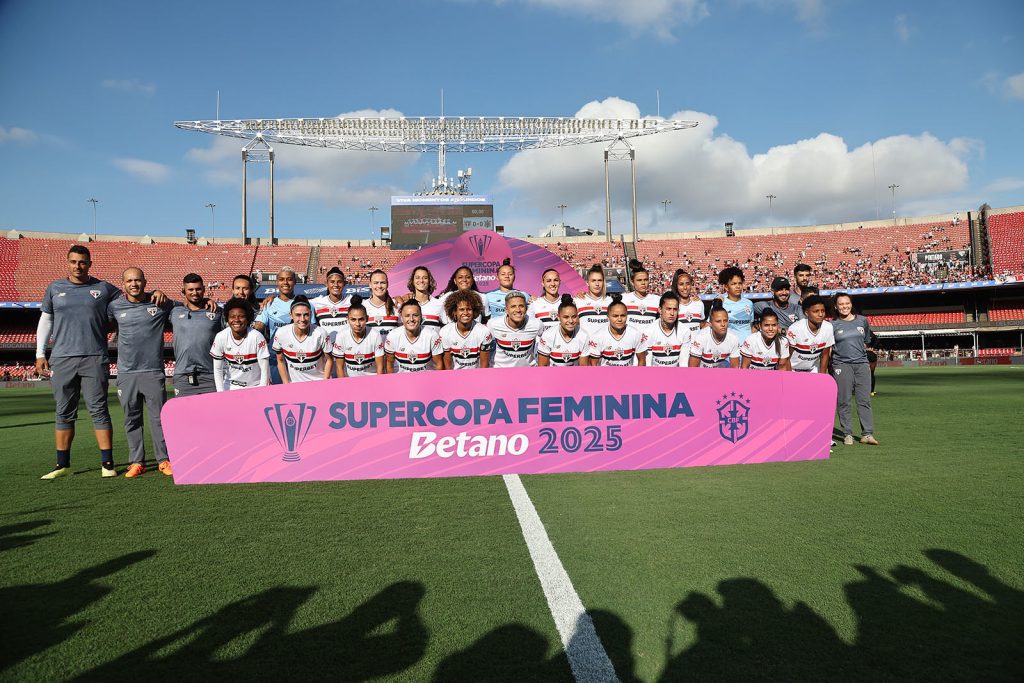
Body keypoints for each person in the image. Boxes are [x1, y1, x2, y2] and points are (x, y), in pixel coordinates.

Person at [36, 245, 136, 479]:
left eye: (82, 262)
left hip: (94, 357)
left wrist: (154, 294)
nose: (78, 266)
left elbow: (131, 299)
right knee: (63, 411)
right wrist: (40, 353)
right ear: (67, 262)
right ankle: (62, 465)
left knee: (99, 410)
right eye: (73, 262)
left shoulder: (104, 288)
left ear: (90, 264)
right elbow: (46, 320)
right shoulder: (54, 288)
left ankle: (107, 464)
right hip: (62, 358)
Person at [107, 267, 174, 478]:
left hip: (152, 371)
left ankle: (164, 460)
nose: (134, 284)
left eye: (137, 280)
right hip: (126, 373)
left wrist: (207, 302)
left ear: (145, 282)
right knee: (131, 419)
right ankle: (137, 462)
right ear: (123, 284)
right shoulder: (114, 306)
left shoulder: (160, 303)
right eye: (129, 281)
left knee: (159, 418)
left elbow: (188, 307)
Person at [831, 293, 879, 445]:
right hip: (841, 365)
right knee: (843, 400)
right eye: (841, 304)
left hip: (862, 364)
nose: (844, 306)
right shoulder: (832, 325)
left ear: (851, 304)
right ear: (836, 307)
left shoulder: (862, 320)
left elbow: (866, 340)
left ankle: (867, 434)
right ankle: (847, 434)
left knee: (864, 400)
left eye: (847, 303)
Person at [254, 267, 315, 384]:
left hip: (301, 357)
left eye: (289, 279)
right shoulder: (269, 304)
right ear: (277, 282)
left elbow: (312, 329)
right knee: (279, 390)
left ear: (295, 281)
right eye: (281, 279)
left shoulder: (306, 305)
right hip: (277, 356)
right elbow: (258, 326)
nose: (285, 282)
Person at [169, 273, 223, 397]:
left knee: (213, 410)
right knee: (184, 410)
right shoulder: (174, 312)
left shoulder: (217, 312)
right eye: (191, 289)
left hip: (211, 374)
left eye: (198, 289)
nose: (195, 293)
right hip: (183, 375)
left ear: (204, 289)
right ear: (183, 290)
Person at [210, 297, 270, 390]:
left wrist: (262, 390)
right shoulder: (221, 337)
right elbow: (218, 369)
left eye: (241, 316)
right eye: (232, 317)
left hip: (255, 387)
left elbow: (265, 369)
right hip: (230, 387)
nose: (236, 320)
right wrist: (220, 392)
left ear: (248, 318)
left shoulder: (257, 337)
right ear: (227, 318)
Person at [273, 296, 333, 383]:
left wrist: (325, 381)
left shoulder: (320, 333)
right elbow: (280, 360)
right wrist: (286, 383)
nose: (302, 319)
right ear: (291, 315)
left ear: (310, 314)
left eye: (306, 315)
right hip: (294, 384)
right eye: (298, 315)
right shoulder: (281, 333)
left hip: (318, 381)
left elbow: (329, 359)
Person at [586, 294, 649, 366]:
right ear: (608, 317)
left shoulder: (636, 334)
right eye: (615, 316)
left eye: (623, 315)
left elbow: (642, 360)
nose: (619, 319)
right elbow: (593, 364)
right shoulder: (598, 336)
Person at [330, 296, 384, 377]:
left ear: (367, 319)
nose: (357, 324)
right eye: (353, 319)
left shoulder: (375, 335)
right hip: (350, 381)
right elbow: (339, 367)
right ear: (347, 319)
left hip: (371, 380)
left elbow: (380, 367)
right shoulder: (341, 336)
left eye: (361, 319)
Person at [384, 299, 443, 372]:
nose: (411, 319)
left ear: (421, 317)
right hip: (401, 378)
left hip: (426, 378)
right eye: (407, 316)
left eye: (415, 315)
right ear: (401, 318)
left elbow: (438, 364)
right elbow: (389, 364)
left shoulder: (432, 335)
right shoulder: (393, 336)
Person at [488, 291, 543, 368]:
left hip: (528, 371)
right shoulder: (493, 324)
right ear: (506, 310)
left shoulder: (536, 324)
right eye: (513, 306)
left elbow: (546, 343)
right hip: (500, 370)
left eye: (521, 306)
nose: (518, 310)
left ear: (526, 308)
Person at [440, 289, 493, 370]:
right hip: (455, 375)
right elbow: (448, 367)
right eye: (461, 309)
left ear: (474, 311)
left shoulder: (483, 331)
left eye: (469, 309)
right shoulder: (445, 332)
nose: (465, 313)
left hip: (477, 375)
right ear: (454, 312)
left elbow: (484, 366)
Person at [786, 295, 835, 373]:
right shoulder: (795, 328)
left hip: (813, 369)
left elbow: (825, 355)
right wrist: (789, 375)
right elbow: (786, 357)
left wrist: (822, 376)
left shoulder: (828, 327)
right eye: (816, 311)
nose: (820, 314)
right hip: (793, 369)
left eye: (822, 311)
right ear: (806, 313)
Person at [537, 295, 590, 367]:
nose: (571, 321)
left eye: (574, 317)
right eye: (566, 317)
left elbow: (583, 367)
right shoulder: (548, 335)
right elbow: (542, 366)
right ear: (558, 317)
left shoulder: (584, 335)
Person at [688, 302, 741, 368]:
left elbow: (735, 367)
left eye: (725, 320)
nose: (723, 324)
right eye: (718, 321)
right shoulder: (701, 337)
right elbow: (693, 367)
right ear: (710, 323)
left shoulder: (733, 338)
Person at [646, 292, 691, 367]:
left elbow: (684, 362)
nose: (672, 313)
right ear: (660, 310)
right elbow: (647, 363)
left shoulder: (685, 331)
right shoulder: (649, 331)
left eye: (675, 309)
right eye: (668, 309)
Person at [310, 267, 351, 345]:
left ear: (344, 283)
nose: (336, 285)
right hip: (325, 348)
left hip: (347, 347)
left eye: (339, 282)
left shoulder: (351, 301)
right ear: (326, 283)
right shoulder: (316, 302)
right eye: (332, 282)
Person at [716, 266, 754, 339]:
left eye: (740, 283)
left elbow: (750, 325)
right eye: (734, 284)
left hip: (747, 344)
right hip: (729, 344)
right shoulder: (720, 303)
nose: (738, 286)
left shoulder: (749, 303)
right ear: (726, 287)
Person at [622, 260, 660, 330]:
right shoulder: (624, 299)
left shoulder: (657, 300)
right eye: (639, 280)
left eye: (646, 280)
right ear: (632, 282)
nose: (643, 283)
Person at [364, 269, 400, 342]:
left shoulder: (397, 305)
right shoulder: (362, 306)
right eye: (376, 283)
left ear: (387, 284)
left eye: (383, 283)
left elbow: (402, 332)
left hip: (392, 349)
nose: (379, 286)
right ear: (370, 284)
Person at [575, 264, 611, 336]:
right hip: (585, 343)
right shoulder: (578, 301)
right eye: (593, 280)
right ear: (587, 282)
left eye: (600, 280)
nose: (597, 284)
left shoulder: (610, 301)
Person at [669, 269, 705, 335]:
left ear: (691, 284)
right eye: (681, 284)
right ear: (676, 286)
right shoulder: (673, 306)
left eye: (688, 284)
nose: (685, 287)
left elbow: (702, 324)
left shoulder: (699, 304)